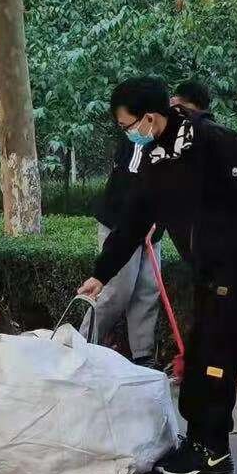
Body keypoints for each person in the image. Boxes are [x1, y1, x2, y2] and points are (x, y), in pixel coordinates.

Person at [80, 77, 237, 474]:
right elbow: (134, 220)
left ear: (149, 117)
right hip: (207, 269)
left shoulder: (212, 141)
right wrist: (101, 273)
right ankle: (196, 442)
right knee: (198, 357)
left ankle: (214, 451)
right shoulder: (157, 158)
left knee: (218, 359)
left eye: (128, 125)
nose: (128, 134)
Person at [88, 129, 164, 368]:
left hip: (151, 228)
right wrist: (144, 218)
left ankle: (143, 355)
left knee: (148, 288)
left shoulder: (182, 140)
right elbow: (133, 182)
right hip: (121, 225)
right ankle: (82, 344)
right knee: (117, 289)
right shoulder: (142, 135)